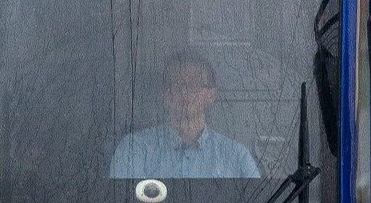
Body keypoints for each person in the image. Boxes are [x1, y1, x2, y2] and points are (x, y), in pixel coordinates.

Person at [110, 50, 260, 180]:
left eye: (194, 84)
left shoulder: (236, 156)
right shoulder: (134, 150)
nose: (184, 91)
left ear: (211, 95)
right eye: (176, 84)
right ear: (164, 93)